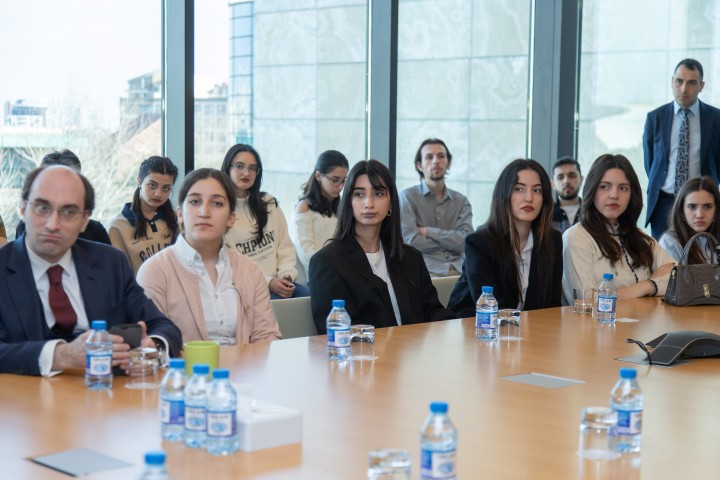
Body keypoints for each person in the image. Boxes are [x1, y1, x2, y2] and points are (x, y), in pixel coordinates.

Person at [0, 165, 182, 376]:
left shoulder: (110, 263)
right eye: (42, 208)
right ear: (23, 209)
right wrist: (61, 355)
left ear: (85, 220)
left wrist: (153, 347)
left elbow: (162, 326)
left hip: (106, 396)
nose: (53, 224)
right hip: (25, 400)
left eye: (68, 212)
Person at [137, 168, 281, 345]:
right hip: (183, 372)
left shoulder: (250, 270)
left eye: (217, 204)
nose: (204, 212)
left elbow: (267, 337)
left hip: (245, 371)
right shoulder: (155, 270)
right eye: (195, 201)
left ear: (231, 218)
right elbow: (152, 344)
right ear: (180, 214)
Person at [309, 159, 455, 333]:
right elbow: (338, 332)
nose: (369, 203)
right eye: (359, 194)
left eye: (378, 194)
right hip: (367, 357)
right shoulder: (327, 262)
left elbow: (433, 312)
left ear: (390, 203)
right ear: (348, 202)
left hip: (417, 356)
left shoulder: (411, 258)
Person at [447, 159, 563, 318]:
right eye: (519, 189)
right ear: (504, 194)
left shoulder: (552, 241)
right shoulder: (479, 243)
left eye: (537, 190)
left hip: (527, 333)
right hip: (475, 329)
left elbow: (552, 307)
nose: (529, 198)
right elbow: (490, 309)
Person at [564, 154, 676, 301]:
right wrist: (647, 286)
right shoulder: (576, 237)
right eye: (605, 187)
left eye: (623, 188)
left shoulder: (642, 240)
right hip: (596, 324)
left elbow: (678, 279)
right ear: (591, 189)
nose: (614, 195)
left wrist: (643, 288)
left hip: (644, 323)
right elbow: (589, 300)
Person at [644, 58, 720, 240]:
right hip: (664, 201)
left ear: (702, 86)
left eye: (692, 82)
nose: (684, 88)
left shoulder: (716, 118)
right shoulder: (655, 117)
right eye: (679, 81)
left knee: (701, 255)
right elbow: (651, 162)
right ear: (672, 82)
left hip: (700, 203)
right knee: (665, 262)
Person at [221, 144, 309, 299]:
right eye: (239, 166)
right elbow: (231, 266)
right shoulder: (221, 212)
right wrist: (268, 282)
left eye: (252, 168)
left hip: (280, 282)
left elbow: (284, 246)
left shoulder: (268, 203)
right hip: (246, 287)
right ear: (228, 168)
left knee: (311, 299)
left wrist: (286, 275)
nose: (246, 172)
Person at [399, 138, 473, 277]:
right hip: (423, 272)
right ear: (419, 165)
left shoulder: (462, 201)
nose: (435, 161)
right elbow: (410, 241)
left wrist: (427, 231)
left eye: (441, 156)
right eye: (429, 157)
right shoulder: (407, 197)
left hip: (460, 271)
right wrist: (451, 243)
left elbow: (466, 242)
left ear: (448, 163)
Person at [16, 149, 111, 245]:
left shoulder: (95, 231)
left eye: (68, 212)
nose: (52, 225)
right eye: (44, 208)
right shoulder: (26, 226)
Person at [109, 156, 180, 274]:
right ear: (140, 182)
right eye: (152, 185)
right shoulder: (118, 226)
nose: (158, 193)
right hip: (140, 291)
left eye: (166, 188)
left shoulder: (177, 220)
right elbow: (120, 276)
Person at [291, 150, 349, 277]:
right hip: (320, 274)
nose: (340, 187)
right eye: (335, 180)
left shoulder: (341, 207)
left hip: (342, 272)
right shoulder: (304, 207)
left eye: (344, 181)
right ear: (318, 176)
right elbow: (307, 254)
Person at [659, 176, 720, 263]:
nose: (700, 215)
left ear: (716, 211)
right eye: (692, 207)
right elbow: (671, 276)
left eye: (707, 206)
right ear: (682, 211)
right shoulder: (669, 243)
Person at [551, 155, 584, 233]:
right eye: (560, 177)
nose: (566, 181)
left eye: (572, 176)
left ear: (581, 179)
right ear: (553, 184)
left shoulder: (593, 213)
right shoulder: (545, 215)